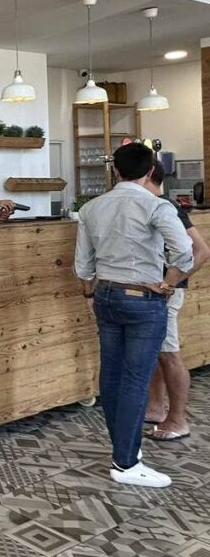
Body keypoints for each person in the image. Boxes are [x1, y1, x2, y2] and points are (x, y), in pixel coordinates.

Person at [74, 143, 193, 487]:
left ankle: (125, 452)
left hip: (106, 294)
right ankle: (125, 462)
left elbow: (83, 265)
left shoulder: (91, 207)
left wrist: (89, 294)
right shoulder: (157, 206)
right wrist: (168, 284)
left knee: (111, 376)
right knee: (135, 379)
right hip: (143, 298)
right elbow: (185, 253)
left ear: (115, 171)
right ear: (150, 171)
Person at [143, 160, 210, 441]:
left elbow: (201, 250)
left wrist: (171, 283)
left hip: (165, 292)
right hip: (156, 290)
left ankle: (178, 420)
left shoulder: (166, 207)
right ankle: (156, 408)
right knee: (157, 352)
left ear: (147, 175)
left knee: (168, 354)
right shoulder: (152, 206)